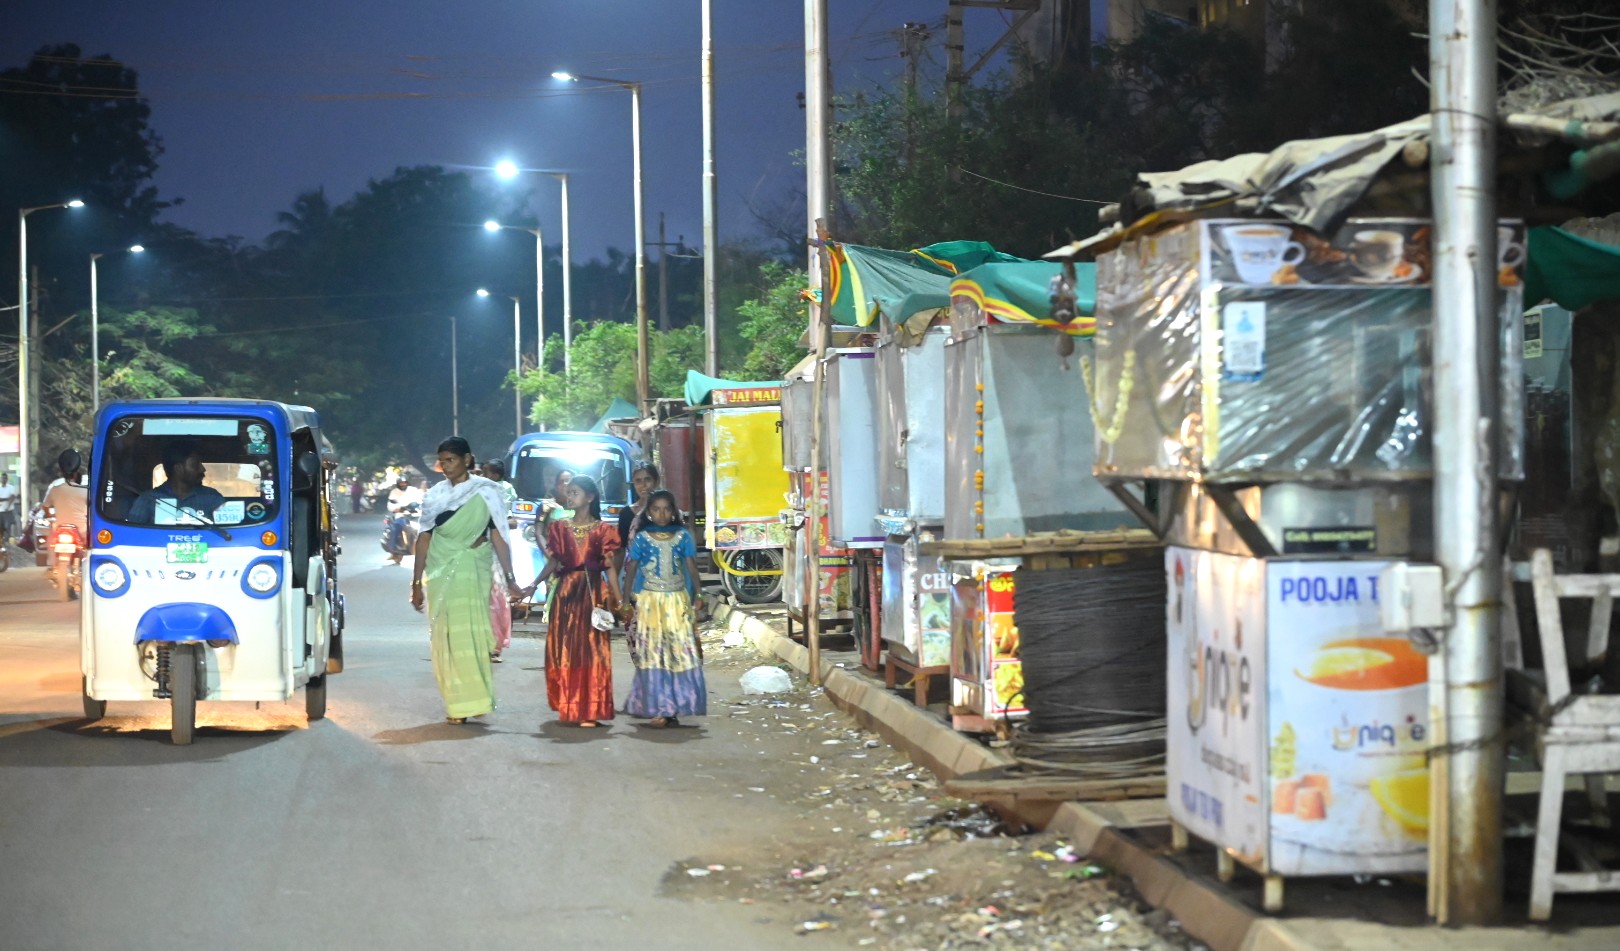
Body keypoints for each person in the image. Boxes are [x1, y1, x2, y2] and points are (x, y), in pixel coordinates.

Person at [410, 437, 523, 723]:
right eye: (443, 461)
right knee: (448, 637)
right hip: (441, 571)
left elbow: (496, 534)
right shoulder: (435, 495)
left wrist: (510, 578)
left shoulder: (487, 491)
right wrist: (415, 583)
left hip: (474, 567)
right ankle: (457, 704)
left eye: (451, 460)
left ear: (467, 459)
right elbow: (424, 538)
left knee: (470, 635)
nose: (446, 466)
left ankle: (476, 699)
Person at [523, 474, 621, 727]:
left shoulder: (604, 530)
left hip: (593, 593)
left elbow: (610, 567)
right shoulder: (559, 528)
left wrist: (619, 599)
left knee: (592, 651)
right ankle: (572, 702)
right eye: (568, 492)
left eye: (575, 492)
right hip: (566, 592)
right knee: (565, 650)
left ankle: (590, 708)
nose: (569, 496)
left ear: (590, 497)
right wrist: (533, 585)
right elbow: (555, 561)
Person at [621, 490, 707, 728]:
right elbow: (632, 569)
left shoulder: (683, 536)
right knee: (654, 653)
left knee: (677, 652)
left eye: (667, 509)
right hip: (650, 602)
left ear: (673, 512)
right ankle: (661, 707)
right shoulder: (641, 538)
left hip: (677, 600)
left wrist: (698, 594)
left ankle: (674, 705)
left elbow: (691, 567)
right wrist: (625, 600)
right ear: (648, 513)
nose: (661, 514)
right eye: (656, 509)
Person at [128, 442, 226, 525]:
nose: (202, 469)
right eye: (195, 465)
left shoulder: (212, 497)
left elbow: (229, 532)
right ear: (178, 469)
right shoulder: (149, 500)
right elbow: (132, 534)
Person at [481, 459, 519, 663]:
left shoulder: (505, 490)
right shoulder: (476, 489)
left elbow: (513, 519)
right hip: (478, 547)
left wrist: (499, 522)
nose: (485, 475)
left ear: (496, 474)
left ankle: (495, 645)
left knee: (496, 598)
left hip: (497, 547)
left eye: (488, 472)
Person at [384, 476, 424, 562]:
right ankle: (393, 551)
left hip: (416, 515)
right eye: (401, 483)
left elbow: (421, 500)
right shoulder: (394, 492)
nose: (403, 485)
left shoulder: (414, 490)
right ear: (398, 484)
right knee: (396, 528)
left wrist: (418, 505)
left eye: (404, 483)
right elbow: (390, 505)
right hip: (401, 515)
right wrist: (399, 508)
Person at [0, 472, 18, 543]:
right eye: (2, 478)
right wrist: (7, 499)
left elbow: (12, 497)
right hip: (0, 511)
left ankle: (7, 542)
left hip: (8, 510)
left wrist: (7, 504)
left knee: (8, 526)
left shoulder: (11, 487)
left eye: (5, 478)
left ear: (7, 479)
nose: (3, 479)